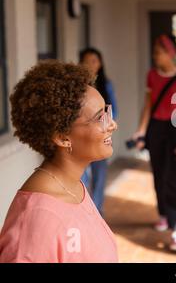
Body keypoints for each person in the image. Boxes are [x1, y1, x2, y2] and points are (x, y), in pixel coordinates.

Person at [0, 61, 119, 262]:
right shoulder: (36, 220)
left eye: (107, 112)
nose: (113, 125)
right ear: (62, 137)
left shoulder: (73, 187)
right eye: (100, 118)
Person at [132, 34, 176, 252]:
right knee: (158, 174)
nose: (154, 56)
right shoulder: (151, 75)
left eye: (158, 52)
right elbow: (148, 106)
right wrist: (141, 131)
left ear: (170, 54)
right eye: (154, 52)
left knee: (175, 178)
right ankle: (163, 215)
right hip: (156, 129)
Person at [79, 47, 118, 216]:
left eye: (94, 61)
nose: (90, 65)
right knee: (81, 175)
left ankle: (96, 211)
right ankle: (83, 209)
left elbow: (113, 110)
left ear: (100, 64)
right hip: (81, 138)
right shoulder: (77, 87)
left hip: (100, 136)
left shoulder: (105, 84)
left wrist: (103, 127)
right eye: (86, 61)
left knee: (99, 175)